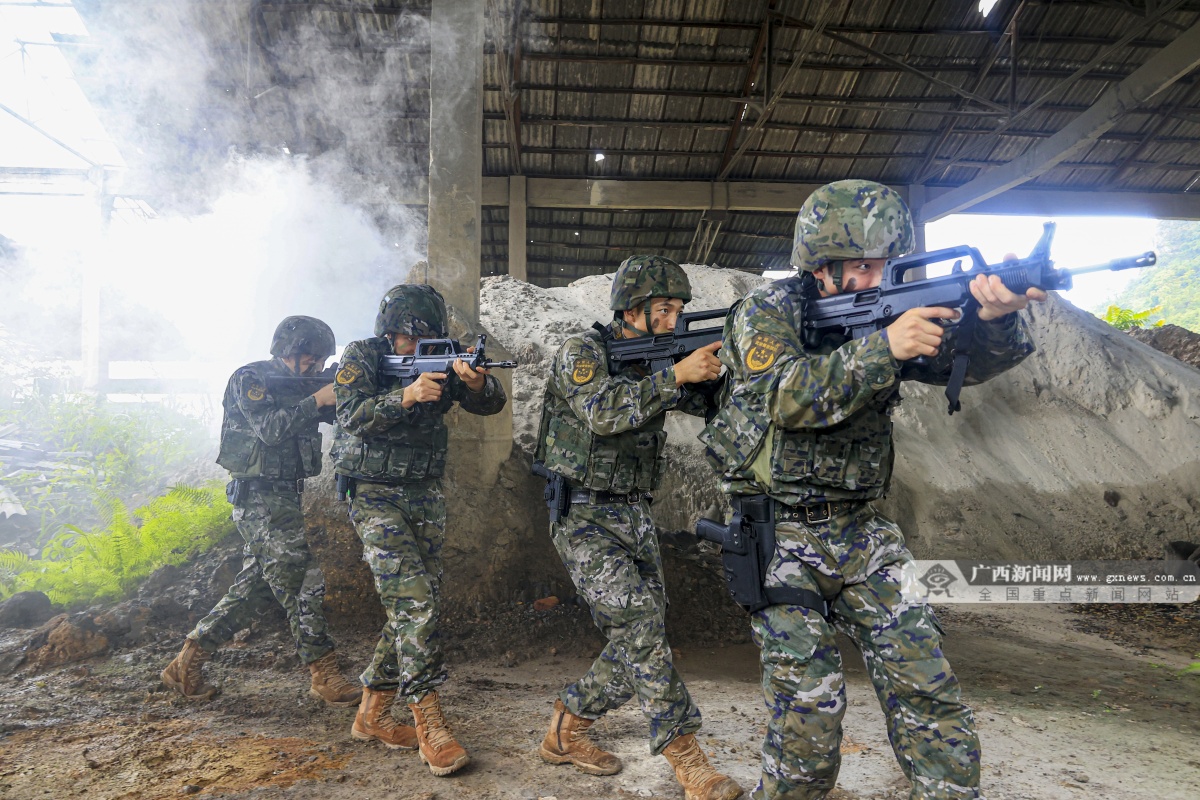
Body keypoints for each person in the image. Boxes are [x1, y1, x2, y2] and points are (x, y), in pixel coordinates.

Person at [700, 179, 1045, 800]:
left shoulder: (893, 306)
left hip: (864, 532)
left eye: (885, 265)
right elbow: (783, 396)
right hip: (781, 533)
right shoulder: (766, 312)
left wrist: (993, 318)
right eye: (862, 266)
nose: (877, 278)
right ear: (821, 265)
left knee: (927, 686)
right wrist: (883, 349)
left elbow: (970, 362)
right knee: (812, 717)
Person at [534, 255, 743, 800]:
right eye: (664, 309)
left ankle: (568, 721)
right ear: (632, 309)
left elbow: (712, 403)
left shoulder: (660, 358)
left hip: (633, 512)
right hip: (582, 514)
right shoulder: (584, 353)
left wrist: (731, 370)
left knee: (642, 631)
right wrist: (673, 376)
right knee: (641, 630)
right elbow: (603, 412)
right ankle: (686, 755)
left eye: (679, 309)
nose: (674, 319)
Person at [332, 283, 506, 777]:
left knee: (415, 600)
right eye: (411, 338)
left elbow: (490, 404)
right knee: (415, 603)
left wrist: (473, 384)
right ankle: (428, 717)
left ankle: (371, 713)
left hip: (424, 494)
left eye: (428, 337)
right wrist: (404, 397)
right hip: (372, 492)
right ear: (391, 331)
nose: (418, 347)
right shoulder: (362, 356)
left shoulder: (443, 359)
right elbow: (349, 415)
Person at [162, 315, 361, 708]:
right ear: (289, 352)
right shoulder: (250, 379)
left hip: (283, 497)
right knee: (304, 580)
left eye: (322, 361)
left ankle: (186, 662)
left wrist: (351, 389)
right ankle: (325, 674)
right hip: (258, 497)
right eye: (311, 359)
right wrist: (317, 399)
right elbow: (269, 428)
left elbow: (341, 413)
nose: (317, 367)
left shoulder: (304, 384)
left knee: (256, 589)